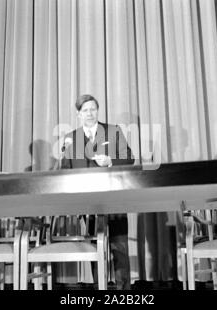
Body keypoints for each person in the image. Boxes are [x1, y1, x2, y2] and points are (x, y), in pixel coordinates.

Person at [61, 94, 134, 289]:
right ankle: (98, 288)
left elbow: (130, 158)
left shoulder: (113, 131)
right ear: (79, 115)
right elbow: (65, 170)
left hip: (115, 199)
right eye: (85, 110)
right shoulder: (70, 138)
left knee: (120, 247)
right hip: (88, 202)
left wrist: (110, 161)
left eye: (93, 109)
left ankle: (124, 291)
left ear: (97, 111)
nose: (90, 113)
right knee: (95, 248)